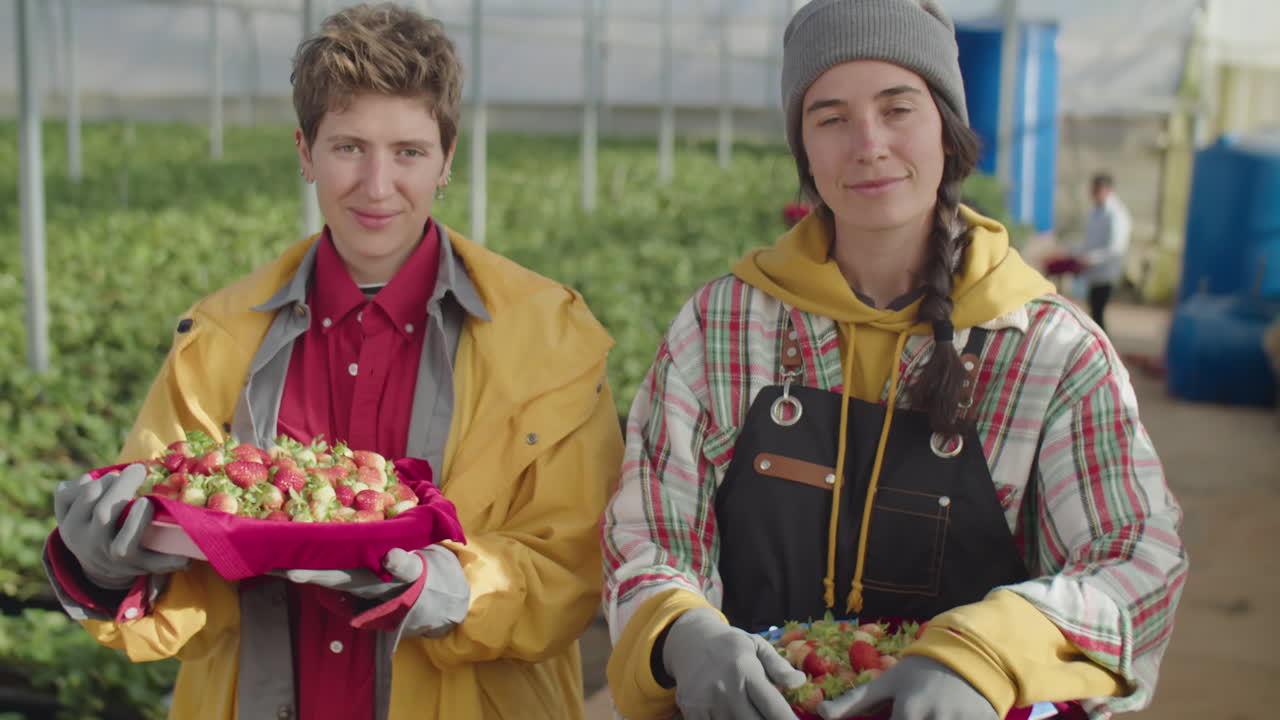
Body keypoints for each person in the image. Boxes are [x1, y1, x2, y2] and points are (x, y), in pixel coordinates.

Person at [600, 2, 1187, 720]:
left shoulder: (1050, 350)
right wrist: (679, 631)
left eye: (898, 107)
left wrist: (983, 657)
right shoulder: (722, 326)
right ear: (804, 151)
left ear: (947, 125)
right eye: (831, 118)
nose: (868, 144)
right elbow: (651, 533)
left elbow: (1136, 561)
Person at [42, 4, 623, 720]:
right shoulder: (221, 337)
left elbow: (570, 569)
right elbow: (180, 561)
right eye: (349, 147)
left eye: (408, 151)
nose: (377, 186)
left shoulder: (547, 339)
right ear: (305, 152)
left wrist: (444, 589)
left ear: (447, 159)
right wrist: (107, 570)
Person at [1076, 172, 1132, 332]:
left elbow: (1116, 248)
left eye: (1095, 190)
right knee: (1094, 314)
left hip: (1106, 273)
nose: (1092, 194)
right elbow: (1089, 242)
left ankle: (1103, 352)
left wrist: (1091, 258)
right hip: (1093, 273)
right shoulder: (1095, 212)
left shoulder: (1116, 214)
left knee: (1098, 315)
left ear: (1105, 189)